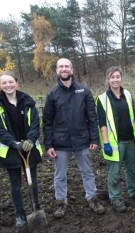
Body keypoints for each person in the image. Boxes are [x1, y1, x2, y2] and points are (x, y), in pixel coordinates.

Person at [43, 58, 105, 218]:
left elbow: (92, 116)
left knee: (87, 171)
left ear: (72, 69)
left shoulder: (84, 91)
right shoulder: (52, 94)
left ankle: (92, 198)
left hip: (82, 140)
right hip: (60, 142)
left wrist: (94, 139)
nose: (64, 69)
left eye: (66, 66)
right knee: (60, 175)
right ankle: (60, 202)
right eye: (61, 67)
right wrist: (48, 144)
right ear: (57, 70)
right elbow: (47, 121)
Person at [0, 71, 43, 228]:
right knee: (15, 183)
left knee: (32, 180)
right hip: (10, 150)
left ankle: (36, 207)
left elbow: (35, 123)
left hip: (29, 148)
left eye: (10, 82)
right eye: (4, 83)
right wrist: (13, 143)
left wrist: (31, 140)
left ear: (17, 83)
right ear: (0, 85)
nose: (8, 85)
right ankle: (20, 213)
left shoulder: (27, 100)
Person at [96, 67, 135, 213]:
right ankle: (115, 198)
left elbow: (134, 117)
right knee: (114, 173)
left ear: (121, 78)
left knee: (132, 169)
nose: (115, 79)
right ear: (108, 80)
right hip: (115, 143)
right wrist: (106, 142)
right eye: (112, 77)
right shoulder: (102, 99)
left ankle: (134, 191)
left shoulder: (127, 94)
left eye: (117, 76)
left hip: (131, 140)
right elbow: (102, 123)